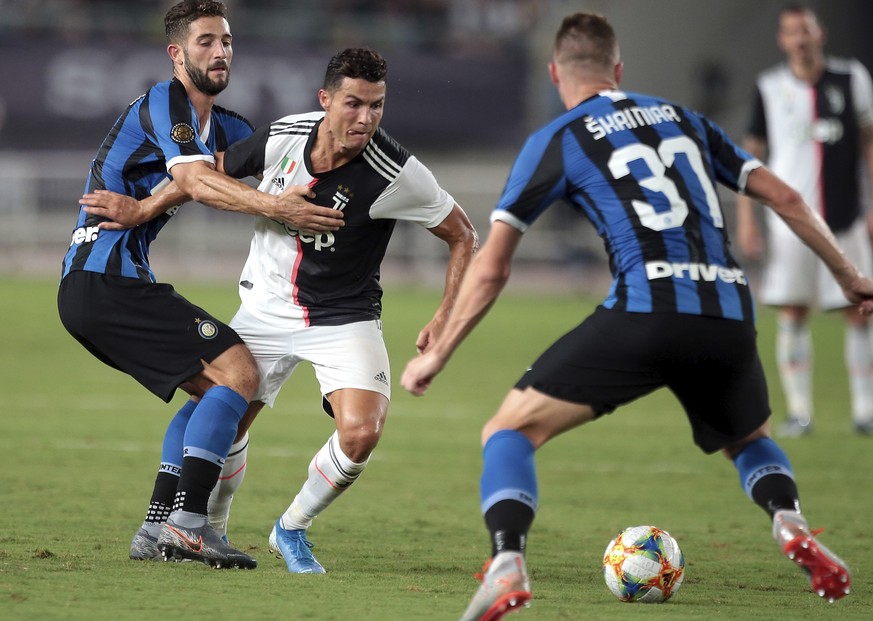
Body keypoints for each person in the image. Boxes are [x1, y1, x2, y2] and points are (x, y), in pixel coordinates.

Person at [400, 13, 865, 620]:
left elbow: (492, 267)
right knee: (749, 439)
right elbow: (788, 197)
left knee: (509, 432)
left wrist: (440, 352)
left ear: (555, 73)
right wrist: (848, 275)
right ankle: (790, 522)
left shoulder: (559, 138)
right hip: (727, 309)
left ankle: (507, 561)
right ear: (619, 71)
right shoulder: (685, 119)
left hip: (646, 308)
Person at [86, 47, 478, 574]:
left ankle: (291, 528)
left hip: (344, 316)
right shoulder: (285, 135)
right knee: (224, 413)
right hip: (267, 307)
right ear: (325, 100)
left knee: (362, 432)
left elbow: (463, 233)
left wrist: (445, 315)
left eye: (377, 106)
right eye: (354, 104)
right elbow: (200, 175)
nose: (365, 118)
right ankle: (208, 530)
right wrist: (143, 209)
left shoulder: (396, 172)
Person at [58, 0, 343, 569]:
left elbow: (257, 167)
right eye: (207, 41)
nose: (220, 52)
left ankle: (158, 529)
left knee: (216, 387)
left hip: (107, 284)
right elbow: (195, 180)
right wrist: (280, 210)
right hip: (101, 278)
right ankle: (189, 526)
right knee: (239, 371)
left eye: (228, 42)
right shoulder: (163, 103)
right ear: (177, 53)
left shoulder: (230, 128)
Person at [735, 4, 873, 437]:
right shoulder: (770, 87)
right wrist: (748, 219)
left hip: (846, 218)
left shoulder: (852, 79)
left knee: (860, 311)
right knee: (792, 312)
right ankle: (799, 413)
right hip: (789, 226)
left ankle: (865, 413)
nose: (800, 39)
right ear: (782, 39)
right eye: (791, 32)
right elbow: (750, 156)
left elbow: (870, 143)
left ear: (820, 34)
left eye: (806, 30)